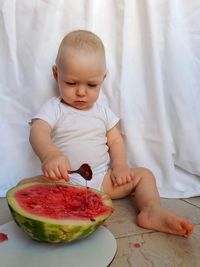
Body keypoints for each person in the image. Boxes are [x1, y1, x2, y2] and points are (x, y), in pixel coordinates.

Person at [25, 30, 194, 237]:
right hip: (65, 181)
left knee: (144, 175)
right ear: (56, 74)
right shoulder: (54, 108)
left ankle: (151, 210)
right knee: (23, 187)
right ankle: (68, 214)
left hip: (102, 182)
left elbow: (115, 140)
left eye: (91, 85)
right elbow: (38, 131)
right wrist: (50, 154)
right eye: (71, 83)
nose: (81, 92)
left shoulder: (103, 111)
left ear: (103, 79)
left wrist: (120, 166)